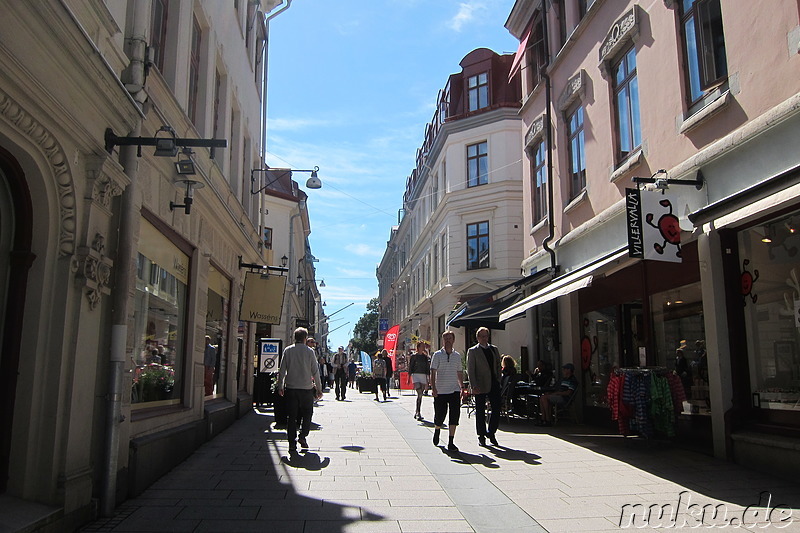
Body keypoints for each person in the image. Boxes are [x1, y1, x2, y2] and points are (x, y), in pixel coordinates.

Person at [277, 327, 323, 454]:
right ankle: (303, 436)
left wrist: (280, 386)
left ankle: (292, 443)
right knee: (307, 414)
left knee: (291, 417)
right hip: (306, 388)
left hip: (291, 388)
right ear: (305, 338)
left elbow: (282, 370)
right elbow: (315, 371)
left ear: (294, 337)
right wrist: (319, 388)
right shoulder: (309, 352)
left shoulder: (288, 350)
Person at [466, 327, 502, 447]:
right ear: (477, 338)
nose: (483, 338)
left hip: (493, 383)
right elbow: (470, 370)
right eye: (481, 336)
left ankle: (491, 432)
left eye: (485, 336)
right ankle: (481, 435)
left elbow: (498, 364)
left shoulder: (494, 349)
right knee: (480, 411)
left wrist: (498, 378)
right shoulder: (473, 351)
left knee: (496, 409)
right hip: (480, 384)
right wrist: (473, 385)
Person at [430, 330, 464, 452]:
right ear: (442, 340)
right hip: (440, 390)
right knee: (440, 415)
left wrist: (462, 387)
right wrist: (433, 388)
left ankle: (451, 441)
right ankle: (437, 429)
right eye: (446, 338)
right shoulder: (437, 355)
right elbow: (433, 372)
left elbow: (459, 372)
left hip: (454, 390)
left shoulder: (457, 356)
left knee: (454, 415)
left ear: (453, 340)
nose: (448, 341)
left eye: (450, 338)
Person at [409, 341, 431, 420]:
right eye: (422, 346)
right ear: (418, 347)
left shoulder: (425, 357)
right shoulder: (414, 356)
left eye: (424, 346)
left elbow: (427, 368)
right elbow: (411, 367)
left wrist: (428, 380)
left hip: (423, 376)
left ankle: (417, 411)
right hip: (416, 375)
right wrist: (409, 378)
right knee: (419, 393)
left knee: (420, 395)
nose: (423, 348)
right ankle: (418, 412)